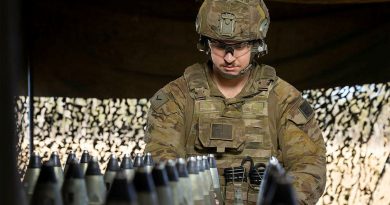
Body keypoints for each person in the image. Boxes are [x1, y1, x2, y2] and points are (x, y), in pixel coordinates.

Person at [144, 0, 326, 204]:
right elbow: (161, 164)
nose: (229, 58)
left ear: (256, 44)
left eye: (240, 46)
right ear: (206, 43)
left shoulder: (284, 99)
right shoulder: (177, 97)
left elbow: (309, 166)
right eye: (220, 45)